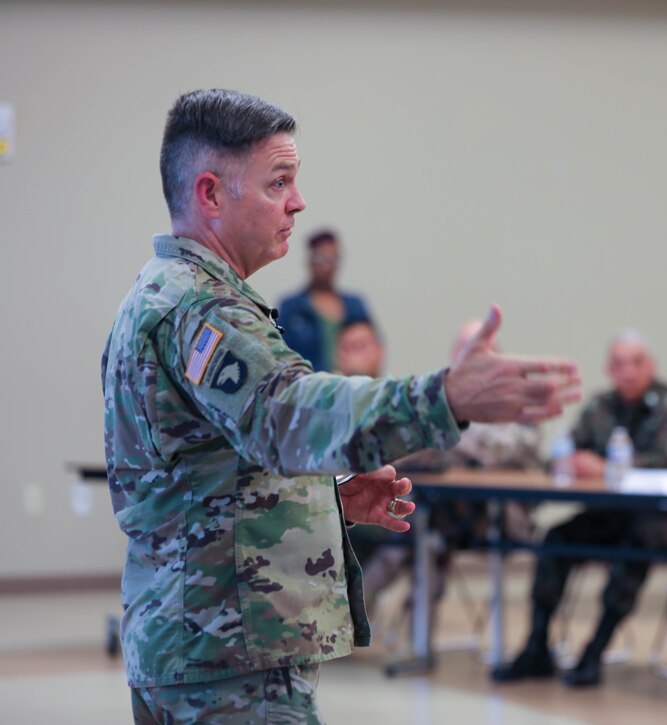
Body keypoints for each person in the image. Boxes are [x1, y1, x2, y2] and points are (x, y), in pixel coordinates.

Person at [102, 88, 580, 723]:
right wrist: (445, 397)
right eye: (278, 182)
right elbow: (288, 411)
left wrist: (319, 499)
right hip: (228, 662)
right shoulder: (203, 309)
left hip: (190, 644)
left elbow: (198, 475)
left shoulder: (160, 293)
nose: (298, 202)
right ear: (212, 194)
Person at [491, 331, 667, 688]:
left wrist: (605, 467)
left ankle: (594, 652)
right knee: (557, 540)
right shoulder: (601, 407)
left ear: (651, 366)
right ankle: (537, 647)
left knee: (636, 545)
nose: (628, 372)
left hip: (666, 520)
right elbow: (572, 445)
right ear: (609, 369)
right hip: (612, 515)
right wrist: (572, 461)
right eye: (619, 364)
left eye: (636, 363)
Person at [356, 319, 543, 614]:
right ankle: (406, 628)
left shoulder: (521, 401)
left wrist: (449, 431)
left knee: (423, 527)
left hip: (500, 515)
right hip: (446, 511)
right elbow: (403, 449)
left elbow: (509, 449)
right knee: (421, 524)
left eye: (485, 351)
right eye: (466, 352)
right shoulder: (436, 403)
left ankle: (368, 604)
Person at [278, 228, 374, 371]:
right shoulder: (292, 308)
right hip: (307, 387)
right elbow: (280, 353)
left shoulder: (355, 305)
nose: (327, 266)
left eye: (333, 258)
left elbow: (373, 348)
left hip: (351, 386)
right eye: (321, 257)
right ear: (310, 260)